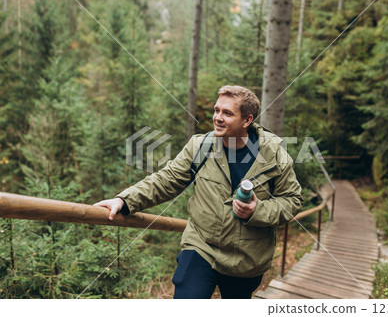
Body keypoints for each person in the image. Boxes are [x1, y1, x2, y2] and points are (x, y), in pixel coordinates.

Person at [94, 85, 303, 299]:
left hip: (247, 259)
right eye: (216, 110)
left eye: (227, 113)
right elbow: (167, 179)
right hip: (201, 248)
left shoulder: (274, 154)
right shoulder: (200, 146)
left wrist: (256, 210)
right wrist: (124, 200)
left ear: (247, 120)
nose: (218, 118)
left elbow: (292, 200)